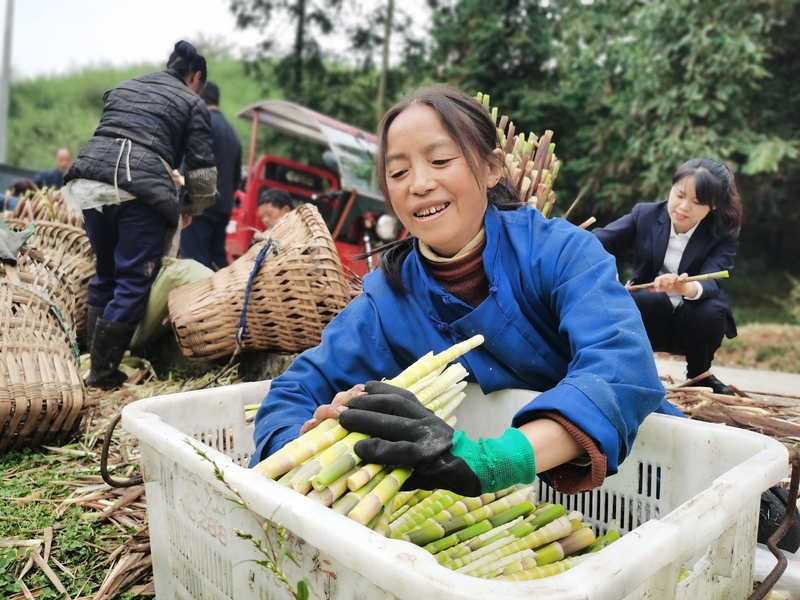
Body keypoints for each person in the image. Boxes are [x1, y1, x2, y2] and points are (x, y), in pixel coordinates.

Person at [251, 83, 682, 497]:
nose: (419, 184)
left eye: (440, 161)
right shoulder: (386, 300)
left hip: (642, 477)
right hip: (485, 504)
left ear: (492, 168)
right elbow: (294, 391)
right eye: (398, 172)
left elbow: (620, 365)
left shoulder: (562, 252)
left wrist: (490, 463)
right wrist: (310, 443)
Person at [63, 40, 217, 390]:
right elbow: (202, 175)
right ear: (196, 77)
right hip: (138, 191)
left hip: (89, 184)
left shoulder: (125, 86)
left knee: (105, 272)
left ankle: (93, 363)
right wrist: (190, 207)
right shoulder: (192, 102)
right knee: (133, 281)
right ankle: (103, 373)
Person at [592, 158, 742, 395]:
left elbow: (713, 280)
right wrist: (610, 278)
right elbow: (598, 241)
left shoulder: (722, 231)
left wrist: (686, 288)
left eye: (697, 202)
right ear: (671, 188)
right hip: (649, 312)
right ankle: (635, 371)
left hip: (692, 319)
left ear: (713, 205)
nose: (683, 207)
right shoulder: (645, 214)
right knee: (649, 298)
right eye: (679, 195)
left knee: (711, 311)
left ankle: (699, 376)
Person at [180, 81, 242, 270]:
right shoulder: (232, 132)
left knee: (194, 263)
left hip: (199, 204)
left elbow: (192, 161)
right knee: (216, 262)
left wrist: (182, 198)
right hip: (223, 207)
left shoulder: (202, 123)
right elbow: (236, 177)